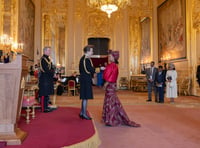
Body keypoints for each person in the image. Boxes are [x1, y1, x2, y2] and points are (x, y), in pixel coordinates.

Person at [102, 50, 140, 127]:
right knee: (111, 101)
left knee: (111, 102)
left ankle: (111, 119)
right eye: (108, 56)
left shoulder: (114, 66)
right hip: (110, 85)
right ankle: (110, 118)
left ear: (114, 57)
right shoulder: (111, 65)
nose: (108, 57)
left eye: (110, 56)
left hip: (110, 85)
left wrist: (106, 84)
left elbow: (112, 77)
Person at [79, 45, 95, 120]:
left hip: (83, 79)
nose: (92, 52)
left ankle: (82, 112)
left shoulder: (83, 58)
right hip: (86, 80)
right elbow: (90, 69)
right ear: (88, 51)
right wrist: (98, 69)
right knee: (85, 97)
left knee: (84, 97)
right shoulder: (86, 59)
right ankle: (84, 114)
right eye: (91, 51)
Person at [38, 46, 55, 113]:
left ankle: (46, 106)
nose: (49, 52)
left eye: (50, 51)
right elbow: (46, 70)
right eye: (48, 51)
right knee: (44, 93)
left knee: (47, 93)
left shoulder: (48, 59)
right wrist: (52, 72)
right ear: (44, 51)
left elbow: (52, 68)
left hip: (48, 78)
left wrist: (53, 71)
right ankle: (43, 108)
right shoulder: (43, 59)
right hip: (44, 79)